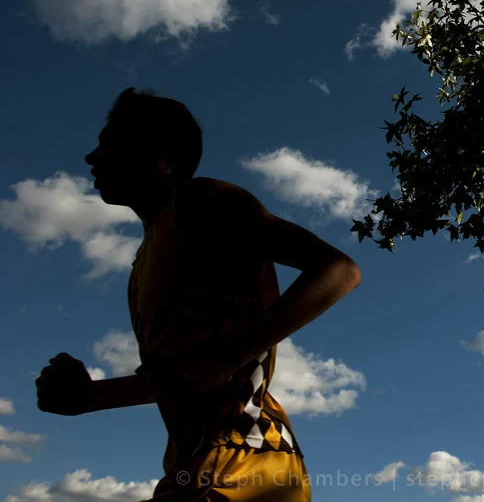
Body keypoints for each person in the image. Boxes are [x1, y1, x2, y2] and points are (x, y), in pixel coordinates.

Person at [35, 87, 362, 502]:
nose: (91, 158)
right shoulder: (145, 258)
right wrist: (89, 397)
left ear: (158, 154)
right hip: (200, 465)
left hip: (243, 461)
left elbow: (339, 271)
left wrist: (229, 355)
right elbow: (183, 377)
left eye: (109, 146)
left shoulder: (199, 201)